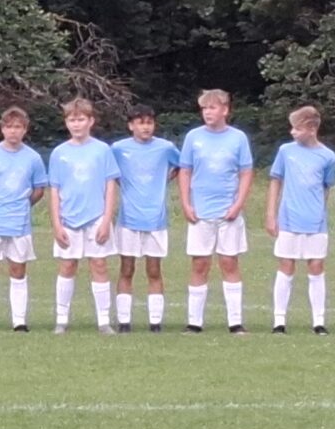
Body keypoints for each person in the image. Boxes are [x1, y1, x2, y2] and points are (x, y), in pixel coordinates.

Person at [178, 89, 255, 334]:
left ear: (225, 110)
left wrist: (238, 204)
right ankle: (194, 322)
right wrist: (186, 203)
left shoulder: (238, 138)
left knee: (229, 262)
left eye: (212, 108)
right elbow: (185, 171)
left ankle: (235, 322)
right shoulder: (193, 137)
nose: (207, 113)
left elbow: (246, 172)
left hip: (228, 212)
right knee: (199, 264)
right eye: (204, 108)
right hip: (200, 212)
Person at [46, 97, 121, 334]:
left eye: (80, 120)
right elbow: (54, 190)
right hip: (69, 219)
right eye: (72, 120)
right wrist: (57, 224)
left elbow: (110, 186)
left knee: (99, 265)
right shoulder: (59, 153)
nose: (76, 124)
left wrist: (107, 220)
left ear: (91, 121)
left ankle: (103, 321)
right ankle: (61, 319)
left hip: (96, 217)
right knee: (67, 266)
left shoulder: (102, 150)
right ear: (66, 123)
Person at [0, 107, 50, 332]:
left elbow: (39, 189)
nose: (13, 131)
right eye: (9, 127)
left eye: (18, 127)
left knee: (18, 270)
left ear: (25, 129)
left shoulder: (33, 158)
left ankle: (19, 321)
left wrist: (23, 205)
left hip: (19, 223)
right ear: (2, 128)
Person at [265, 105, 335, 334]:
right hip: (288, 219)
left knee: (316, 266)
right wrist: (271, 214)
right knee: (286, 265)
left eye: (297, 129)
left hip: (315, 222)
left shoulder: (328, 156)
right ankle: (279, 321)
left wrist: (319, 213)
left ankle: (318, 321)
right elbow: (276, 181)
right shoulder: (286, 151)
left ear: (311, 129)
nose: (292, 132)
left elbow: (325, 188)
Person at [110, 106, 183, 332]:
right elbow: (109, 173)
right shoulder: (118, 148)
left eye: (149, 122)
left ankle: (155, 322)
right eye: (140, 123)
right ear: (131, 125)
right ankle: (124, 322)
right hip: (128, 219)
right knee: (126, 269)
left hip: (156, 219)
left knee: (154, 270)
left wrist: (165, 180)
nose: (146, 127)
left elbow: (182, 166)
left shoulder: (165, 147)